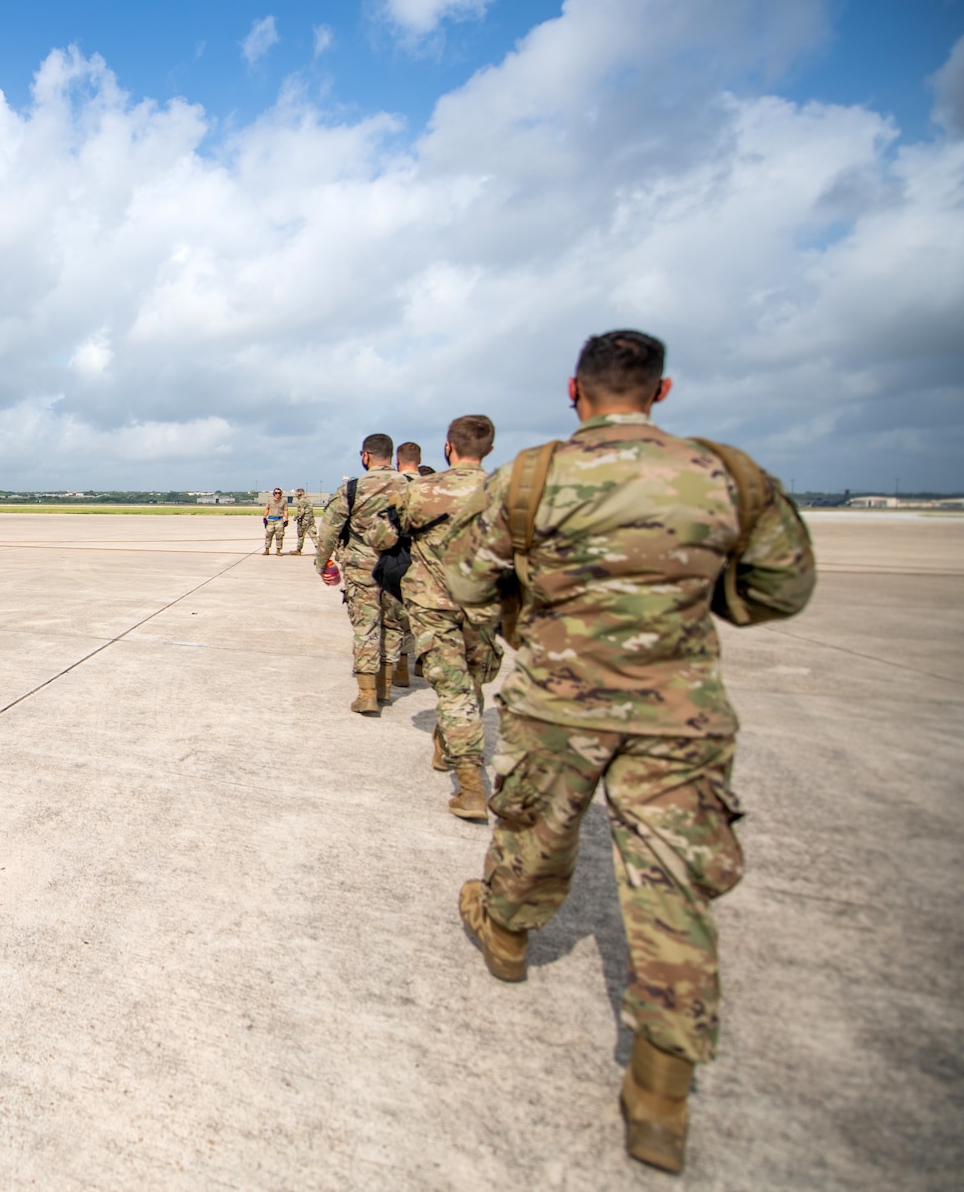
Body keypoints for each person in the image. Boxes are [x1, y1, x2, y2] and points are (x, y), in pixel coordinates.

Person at [440, 330, 815, 1174]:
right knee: (674, 888)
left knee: (536, 829)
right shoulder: (725, 474)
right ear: (663, 390)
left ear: (575, 389)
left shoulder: (534, 475)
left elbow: (464, 578)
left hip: (558, 701)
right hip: (679, 710)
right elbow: (784, 585)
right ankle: (659, 1100)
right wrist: (693, 595)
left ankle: (505, 936)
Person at [388, 414, 500, 821]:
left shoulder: (424, 490)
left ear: (448, 447)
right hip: (483, 604)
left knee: (453, 690)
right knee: (471, 681)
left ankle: (470, 787)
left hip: (433, 604)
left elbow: (394, 533)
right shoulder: (504, 493)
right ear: (488, 449)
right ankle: (450, 743)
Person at [314, 434, 411, 714]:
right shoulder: (413, 487)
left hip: (362, 569)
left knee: (365, 628)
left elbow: (330, 530)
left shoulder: (352, 490)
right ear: (392, 458)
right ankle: (386, 686)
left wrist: (323, 564)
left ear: (365, 456)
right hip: (401, 570)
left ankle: (367, 694)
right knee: (393, 625)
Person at [262, 488, 289, 554]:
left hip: (279, 520)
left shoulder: (283, 501)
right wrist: (264, 517)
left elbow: (285, 510)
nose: (277, 494)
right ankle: (267, 549)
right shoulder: (270, 500)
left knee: (279, 535)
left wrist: (286, 519)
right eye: (276, 493)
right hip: (270, 520)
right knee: (268, 535)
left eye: (279, 493)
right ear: (274, 493)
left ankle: (278, 550)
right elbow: (267, 509)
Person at [288, 488, 314, 555]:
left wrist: (296, 517)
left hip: (304, 522)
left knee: (301, 535)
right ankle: (321, 550)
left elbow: (301, 512)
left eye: (296, 493)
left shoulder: (301, 501)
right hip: (310, 520)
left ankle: (298, 550)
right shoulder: (308, 500)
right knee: (313, 536)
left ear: (299, 494)